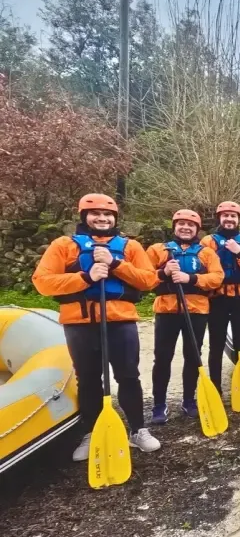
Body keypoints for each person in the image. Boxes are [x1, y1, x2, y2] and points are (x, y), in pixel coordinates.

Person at [31, 193, 161, 461]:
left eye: (108, 214)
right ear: (84, 217)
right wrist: (84, 277)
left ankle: (138, 429)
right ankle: (91, 432)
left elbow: (149, 280)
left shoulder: (130, 247)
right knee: (88, 379)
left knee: (128, 376)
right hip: (79, 323)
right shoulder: (64, 245)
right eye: (95, 214)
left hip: (121, 320)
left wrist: (115, 264)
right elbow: (42, 281)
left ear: (115, 218)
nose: (102, 218)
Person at [146, 210, 224, 423]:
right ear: (174, 227)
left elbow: (217, 278)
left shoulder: (206, 253)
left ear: (197, 229)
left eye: (191, 225)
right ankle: (159, 404)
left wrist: (190, 278)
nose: (186, 228)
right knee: (162, 358)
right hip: (166, 310)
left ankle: (189, 400)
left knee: (193, 356)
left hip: (196, 310)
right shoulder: (158, 250)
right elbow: (142, 278)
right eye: (181, 224)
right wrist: (163, 273)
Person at [200, 201, 240, 392]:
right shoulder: (208, 242)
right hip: (217, 300)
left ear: (238, 219)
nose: (229, 219)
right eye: (225, 215)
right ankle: (215, 387)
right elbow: (203, 268)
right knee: (216, 345)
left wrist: (239, 252)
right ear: (219, 218)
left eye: (233, 216)